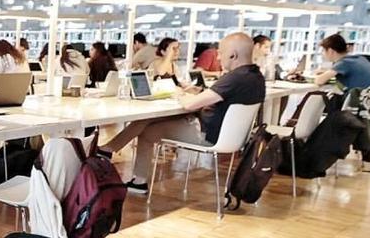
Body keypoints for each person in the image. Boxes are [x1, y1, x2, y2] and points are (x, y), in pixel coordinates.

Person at [99, 33, 265, 194]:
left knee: (148, 132)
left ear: (233, 55)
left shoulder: (235, 77)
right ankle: (110, 151)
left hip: (208, 135)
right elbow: (219, 97)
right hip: (228, 136)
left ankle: (135, 177)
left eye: (221, 53)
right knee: (150, 120)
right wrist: (199, 91)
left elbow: (190, 105)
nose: (219, 58)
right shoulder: (255, 77)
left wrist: (180, 94)